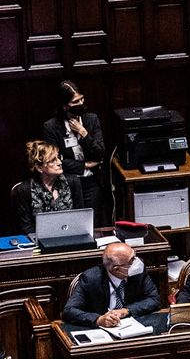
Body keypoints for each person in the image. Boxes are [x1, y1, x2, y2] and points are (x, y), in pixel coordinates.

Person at [43, 80, 107, 221]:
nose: (81, 104)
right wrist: (85, 165)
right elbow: (55, 162)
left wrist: (83, 133)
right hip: (68, 182)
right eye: (75, 102)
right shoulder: (51, 127)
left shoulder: (91, 120)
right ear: (65, 106)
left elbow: (100, 153)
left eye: (82, 99)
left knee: (93, 222)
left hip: (92, 180)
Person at [63, 242, 160, 328]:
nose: (137, 262)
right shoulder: (91, 279)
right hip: (101, 332)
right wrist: (98, 320)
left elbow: (154, 299)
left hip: (132, 327)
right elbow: (69, 311)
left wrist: (126, 311)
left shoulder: (138, 273)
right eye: (132, 260)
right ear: (116, 269)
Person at [15, 140, 83, 234]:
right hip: (39, 241)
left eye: (58, 157)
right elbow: (26, 226)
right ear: (39, 167)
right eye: (52, 160)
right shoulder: (24, 190)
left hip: (70, 235)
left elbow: (81, 217)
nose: (59, 162)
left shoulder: (73, 182)